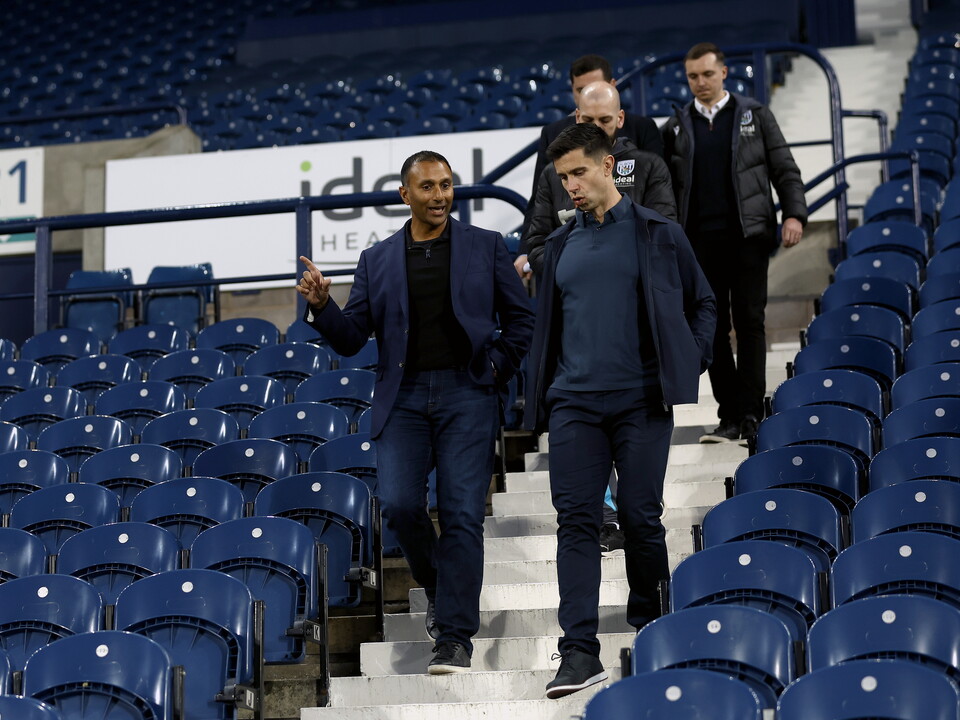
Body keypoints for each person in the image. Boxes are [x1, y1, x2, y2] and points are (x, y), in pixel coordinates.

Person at [296, 150, 535, 675]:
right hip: (402, 397)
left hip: (467, 391)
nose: (440, 196)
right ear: (405, 195)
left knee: (461, 515)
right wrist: (321, 307)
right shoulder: (377, 260)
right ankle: (442, 586)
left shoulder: (486, 246)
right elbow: (354, 337)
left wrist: (495, 368)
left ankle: (454, 637)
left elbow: (521, 320)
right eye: (427, 187)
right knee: (401, 506)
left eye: (447, 185)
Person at [525, 123, 716, 698]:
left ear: (609, 166)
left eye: (578, 173)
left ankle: (649, 613)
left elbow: (702, 302)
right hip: (574, 404)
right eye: (562, 179)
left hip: (640, 400)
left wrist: (688, 360)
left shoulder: (659, 233)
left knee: (640, 516)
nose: (571, 187)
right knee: (576, 523)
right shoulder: (558, 246)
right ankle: (579, 651)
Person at [661, 41, 807, 445]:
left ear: (724, 72)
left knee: (750, 322)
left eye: (708, 74)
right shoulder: (675, 127)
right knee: (711, 329)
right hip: (698, 244)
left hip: (748, 237)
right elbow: (664, 187)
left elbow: (784, 168)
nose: (701, 82)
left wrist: (794, 213)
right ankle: (728, 417)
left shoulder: (755, 115)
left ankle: (751, 414)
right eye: (693, 76)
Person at [515, 54, 664, 277]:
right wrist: (526, 251)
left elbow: (659, 196)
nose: (596, 127)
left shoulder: (642, 129)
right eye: (580, 89)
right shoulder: (553, 133)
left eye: (605, 120)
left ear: (613, 86)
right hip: (572, 256)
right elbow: (539, 200)